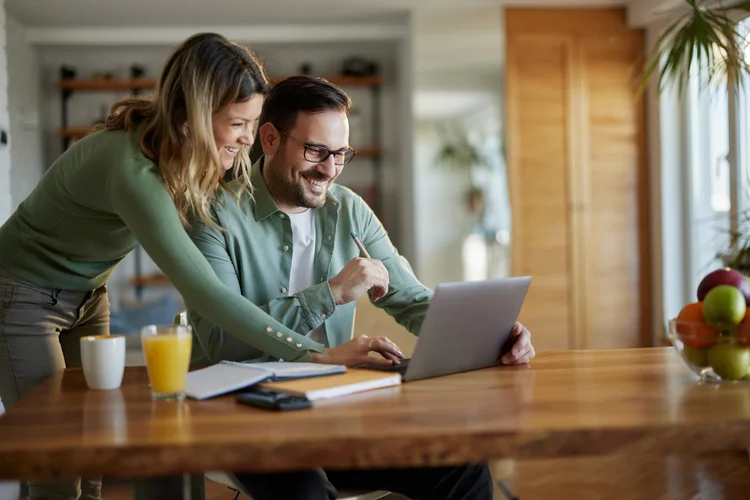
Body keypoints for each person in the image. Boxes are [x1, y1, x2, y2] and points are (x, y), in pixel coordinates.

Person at [0, 34, 330, 500]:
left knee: (93, 451)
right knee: (55, 466)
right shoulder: (134, 171)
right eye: (237, 122)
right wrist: (312, 353)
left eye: (253, 123)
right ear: (195, 114)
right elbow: (207, 294)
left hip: (88, 295)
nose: (248, 138)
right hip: (20, 294)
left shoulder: (185, 156)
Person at [186, 75, 535, 499]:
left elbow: (408, 298)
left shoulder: (349, 209)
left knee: (460, 462)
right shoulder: (212, 215)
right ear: (271, 139)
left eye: (340, 154)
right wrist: (330, 293)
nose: (329, 170)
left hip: (335, 406)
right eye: (316, 151)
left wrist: (493, 334)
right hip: (245, 414)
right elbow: (223, 341)